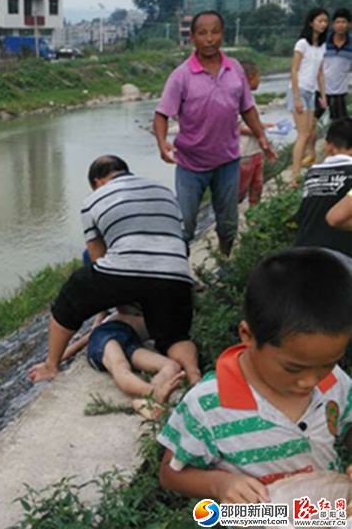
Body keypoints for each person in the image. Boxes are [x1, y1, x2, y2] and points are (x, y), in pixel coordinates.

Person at [158, 248, 352, 504]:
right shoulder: (208, 405)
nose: (311, 381)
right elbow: (171, 474)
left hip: (325, 512)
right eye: (293, 368)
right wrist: (219, 484)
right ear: (248, 336)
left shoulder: (335, 382)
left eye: (328, 364)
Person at [28, 155, 201, 386]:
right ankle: (194, 376)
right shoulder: (164, 190)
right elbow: (178, 240)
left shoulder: (94, 199)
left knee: (72, 295)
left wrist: (118, 299)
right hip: (175, 274)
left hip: (125, 271)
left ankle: (50, 366)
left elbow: (98, 257)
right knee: (174, 336)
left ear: (98, 181)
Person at [154, 11, 274, 257]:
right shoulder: (182, 75)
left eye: (215, 32)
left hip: (227, 162)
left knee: (228, 224)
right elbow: (161, 114)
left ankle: (225, 264)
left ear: (222, 34)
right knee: (186, 225)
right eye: (202, 33)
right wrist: (162, 144)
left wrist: (261, 136)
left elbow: (247, 107)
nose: (209, 38)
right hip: (191, 165)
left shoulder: (235, 69)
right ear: (193, 39)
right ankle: (181, 275)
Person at [60, 306, 184, 408]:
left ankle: (152, 396)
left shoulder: (153, 308)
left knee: (172, 366)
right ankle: (152, 393)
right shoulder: (107, 320)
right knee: (119, 365)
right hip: (105, 336)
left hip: (130, 340)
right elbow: (86, 338)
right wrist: (57, 359)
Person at [294, 118, 352, 257]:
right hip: (338, 259)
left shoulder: (312, 173)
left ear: (328, 146)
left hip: (301, 252)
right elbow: (335, 218)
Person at [288, 8, 329, 181]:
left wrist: (323, 95)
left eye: (325, 21)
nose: (323, 24)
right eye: (320, 21)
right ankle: (294, 175)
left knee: (311, 131)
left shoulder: (321, 46)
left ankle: (308, 162)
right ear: (311, 22)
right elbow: (294, 69)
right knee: (303, 134)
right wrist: (296, 97)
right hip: (298, 90)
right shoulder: (302, 44)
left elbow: (320, 73)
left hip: (312, 92)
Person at [237, 61, 274, 206]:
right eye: (259, 77)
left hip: (256, 151)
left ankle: (254, 221)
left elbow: (251, 122)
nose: (259, 80)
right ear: (251, 77)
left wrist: (263, 127)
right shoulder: (236, 99)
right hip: (244, 152)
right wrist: (258, 130)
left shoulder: (250, 98)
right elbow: (235, 127)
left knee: (256, 188)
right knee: (239, 192)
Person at [323, 8, 352, 121]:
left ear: (349, 24)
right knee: (312, 123)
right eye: (338, 22)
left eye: (344, 22)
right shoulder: (323, 42)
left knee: (341, 124)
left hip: (340, 93)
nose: (340, 25)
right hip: (320, 91)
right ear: (333, 25)